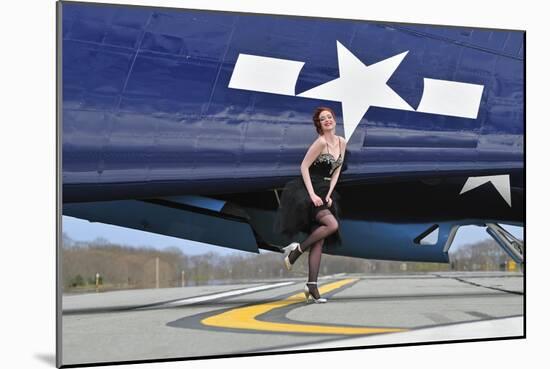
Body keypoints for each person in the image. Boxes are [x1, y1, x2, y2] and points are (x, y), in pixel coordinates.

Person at [274, 107, 346, 303]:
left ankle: (312, 286)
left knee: (319, 241)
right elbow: (304, 167)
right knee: (332, 225)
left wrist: (329, 194)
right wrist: (312, 194)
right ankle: (297, 250)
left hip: (325, 191)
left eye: (329, 117)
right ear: (319, 125)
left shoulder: (342, 142)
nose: (328, 120)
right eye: (323, 119)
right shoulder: (320, 142)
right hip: (308, 190)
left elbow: (337, 170)